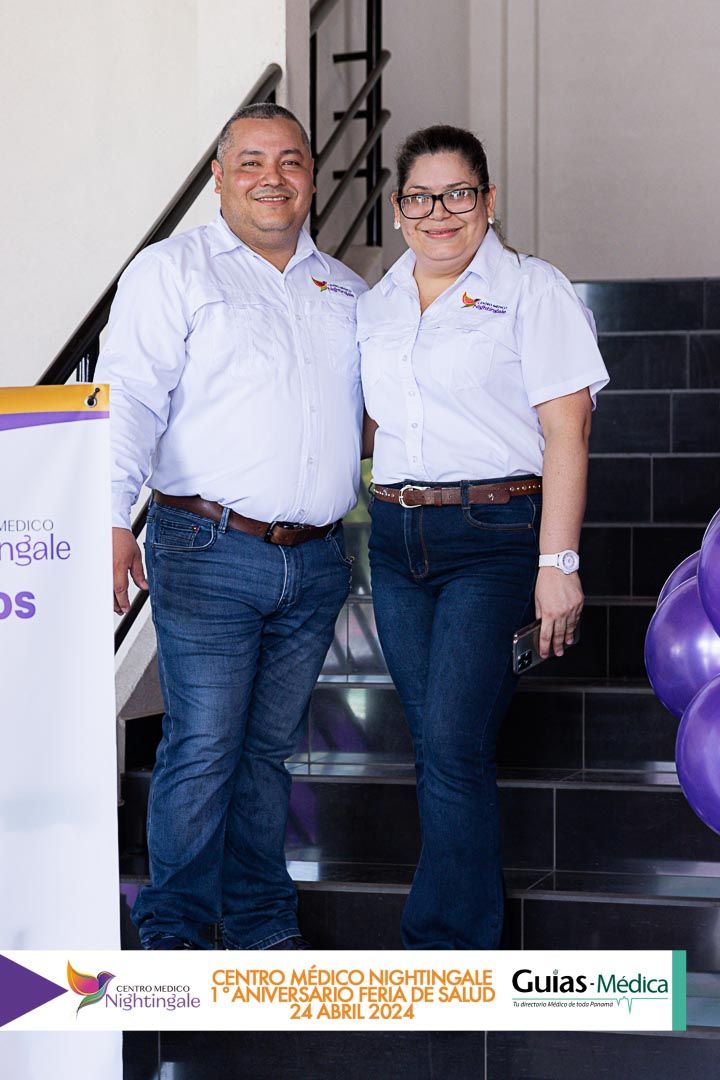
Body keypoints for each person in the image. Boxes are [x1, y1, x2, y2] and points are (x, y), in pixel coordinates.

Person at [96, 102, 366, 950]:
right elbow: (130, 399)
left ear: (312, 177)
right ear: (218, 177)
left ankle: (259, 925)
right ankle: (173, 935)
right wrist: (110, 516)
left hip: (315, 562)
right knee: (206, 743)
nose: (271, 178)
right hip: (206, 547)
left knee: (267, 752)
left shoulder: (347, 290)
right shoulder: (171, 272)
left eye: (290, 161)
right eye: (250, 161)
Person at [358, 125, 609, 950]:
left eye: (458, 193)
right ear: (398, 209)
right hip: (395, 539)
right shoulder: (375, 303)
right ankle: (458, 943)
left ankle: (448, 951)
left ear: (488, 200)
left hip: (493, 535)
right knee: (436, 745)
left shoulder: (533, 290)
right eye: (420, 197)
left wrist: (557, 562)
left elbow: (568, 431)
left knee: (453, 742)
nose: (440, 212)